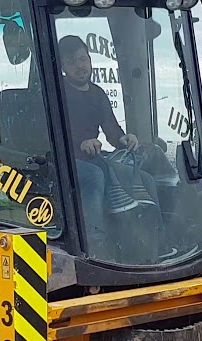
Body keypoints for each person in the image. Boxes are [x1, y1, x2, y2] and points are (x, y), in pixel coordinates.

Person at [57, 35, 163, 251]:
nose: (80, 66)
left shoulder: (97, 93)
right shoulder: (57, 92)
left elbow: (112, 131)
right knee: (95, 176)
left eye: (83, 59)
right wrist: (80, 144)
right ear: (62, 66)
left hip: (93, 158)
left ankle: (158, 244)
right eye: (72, 61)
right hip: (63, 161)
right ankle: (94, 244)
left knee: (147, 179)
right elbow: (53, 132)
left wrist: (124, 139)